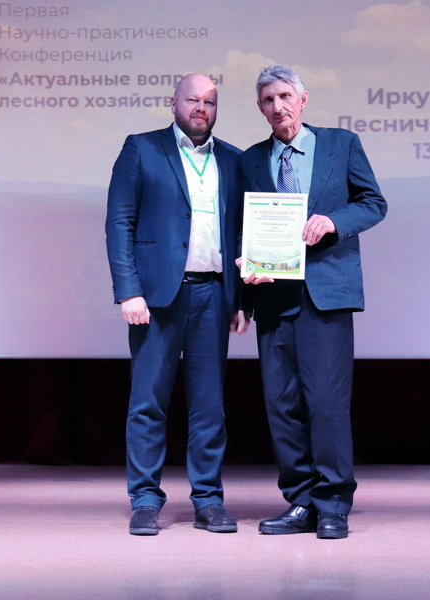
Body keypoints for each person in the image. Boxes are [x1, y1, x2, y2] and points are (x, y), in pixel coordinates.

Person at [238, 65, 387, 539]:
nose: (277, 106)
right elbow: (242, 227)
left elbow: (373, 203)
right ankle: (301, 501)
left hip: (324, 294)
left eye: (285, 96)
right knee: (282, 406)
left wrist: (334, 222)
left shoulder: (341, 144)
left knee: (325, 403)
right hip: (272, 294)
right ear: (260, 108)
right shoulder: (250, 159)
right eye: (268, 100)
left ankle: (333, 504)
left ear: (303, 99)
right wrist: (244, 283)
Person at [106, 74, 248, 536]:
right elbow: (119, 222)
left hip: (214, 295)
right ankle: (145, 500)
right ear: (174, 103)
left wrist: (239, 299)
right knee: (148, 403)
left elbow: (240, 233)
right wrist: (129, 290)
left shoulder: (233, 159)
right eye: (193, 100)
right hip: (156, 298)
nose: (201, 108)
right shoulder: (142, 149)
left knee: (209, 406)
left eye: (210, 102)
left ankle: (208, 500)